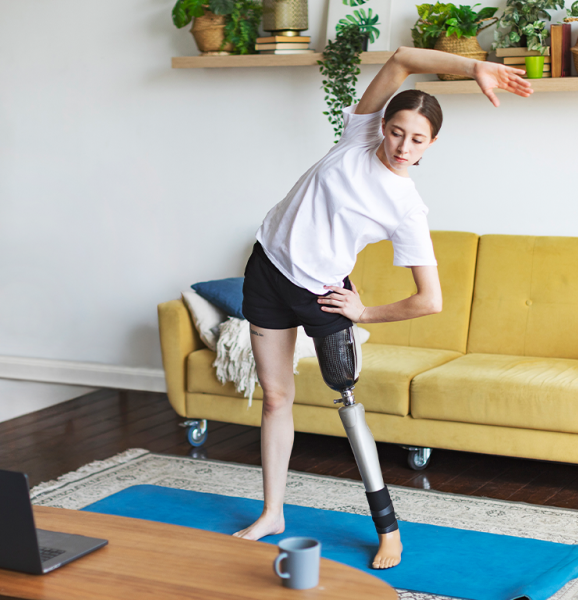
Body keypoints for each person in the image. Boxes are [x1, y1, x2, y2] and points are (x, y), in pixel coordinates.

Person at [235, 46, 533, 570]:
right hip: (266, 269)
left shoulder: (406, 207)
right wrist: (473, 68)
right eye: (396, 130)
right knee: (276, 398)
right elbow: (399, 58)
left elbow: (430, 300)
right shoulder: (357, 137)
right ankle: (273, 513)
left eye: (416, 139)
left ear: (430, 146)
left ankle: (388, 530)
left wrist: (363, 313)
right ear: (383, 125)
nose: (402, 144)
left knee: (346, 403)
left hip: (321, 294)